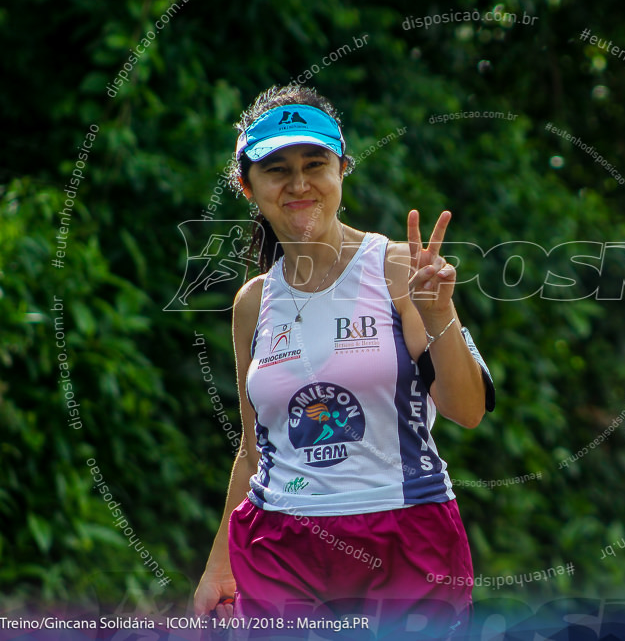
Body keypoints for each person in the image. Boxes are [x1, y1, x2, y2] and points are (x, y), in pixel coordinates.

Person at [192, 85, 495, 635]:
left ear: (342, 170)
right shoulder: (253, 303)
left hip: (405, 532)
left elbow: (467, 410)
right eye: (277, 169)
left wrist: (440, 313)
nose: (299, 183)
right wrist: (219, 565)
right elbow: (252, 448)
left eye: (315, 164)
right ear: (246, 185)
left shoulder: (399, 269)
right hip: (279, 541)